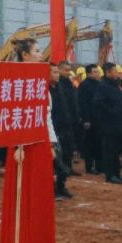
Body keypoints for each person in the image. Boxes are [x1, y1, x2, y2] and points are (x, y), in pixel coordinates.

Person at [0, 39, 57, 243]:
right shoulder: (15, 78)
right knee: (25, 198)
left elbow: (45, 115)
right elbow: (11, 114)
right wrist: (17, 146)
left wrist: (51, 143)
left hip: (40, 143)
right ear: (24, 55)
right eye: (36, 50)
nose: (40, 53)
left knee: (40, 198)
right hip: (23, 148)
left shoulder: (41, 79)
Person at [94, 63, 122, 185]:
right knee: (109, 151)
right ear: (108, 72)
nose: (118, 74)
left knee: (116, 151)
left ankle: (117, 174)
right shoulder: (103, 86)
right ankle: (110, 175)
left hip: (118, 124)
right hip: (109, 125)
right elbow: (99, 104)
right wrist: (113, 112)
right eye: (115, 71)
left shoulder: (115, 85)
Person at [47, 61, 77, 199]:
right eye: (54, 72)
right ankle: (52, 188)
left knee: (66, 157)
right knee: (56, 161)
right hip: (54, 130)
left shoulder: (60, 87)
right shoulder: (44, 90)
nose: (57, 75)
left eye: (57, 72)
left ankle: (61, 186)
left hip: (66, 127)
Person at [77, 64, 102, 174]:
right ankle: (89, 167)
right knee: (89, 144)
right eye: (95, 72)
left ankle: (99, 166)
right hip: (90, 120)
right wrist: (86, 119)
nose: (98, 73)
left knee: (98, 143)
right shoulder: (84, 85)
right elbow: (83, 104)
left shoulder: (99, 84)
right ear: (89, 73)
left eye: (98, 71)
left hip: (99, 118)